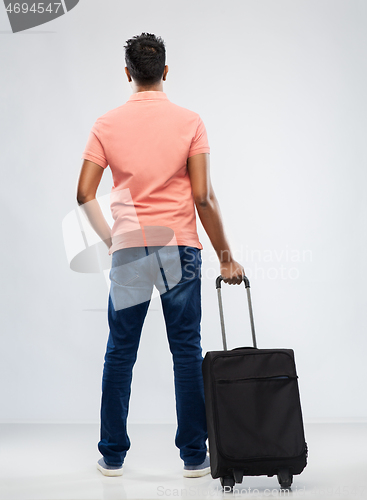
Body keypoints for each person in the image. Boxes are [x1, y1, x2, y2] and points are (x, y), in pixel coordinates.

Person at [76, 32, 245, 478]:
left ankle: (111, 456)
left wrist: (114, 240)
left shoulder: (105, 124)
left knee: (120, 352)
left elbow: (84, 194)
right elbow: (203, 197)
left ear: (128, 73)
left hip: (130, 250)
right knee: (186, 352)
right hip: (180, 249)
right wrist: (226, 257)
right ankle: (194, 457)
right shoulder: (190, 122)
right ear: (165, 72)